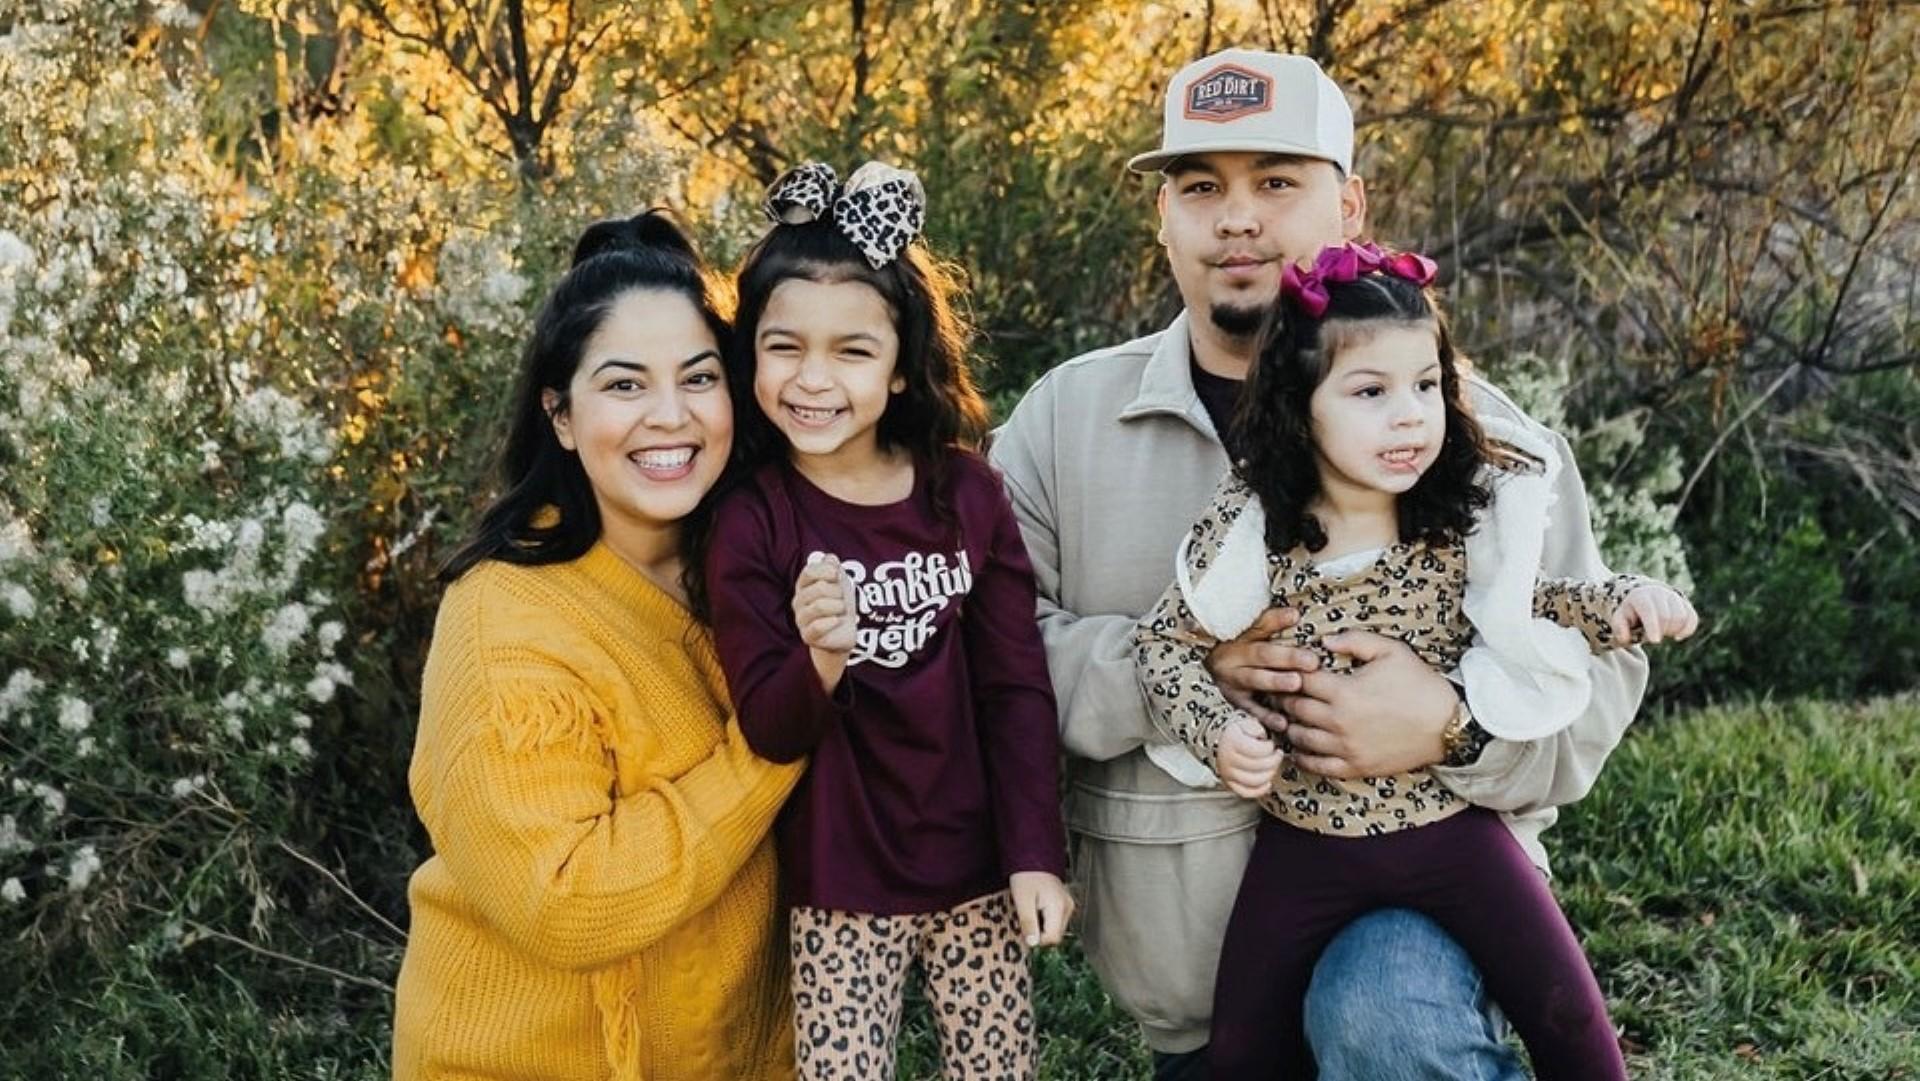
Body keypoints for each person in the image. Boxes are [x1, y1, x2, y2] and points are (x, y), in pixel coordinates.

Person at [988, 49, 1651, 1079]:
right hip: (1196, 972)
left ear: (1350, 205)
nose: (1236, 218)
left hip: (1414, 903)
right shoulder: (1065, 423)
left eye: (1277, 182)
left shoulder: (1469, 437)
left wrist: (1451, 720)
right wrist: (1183, 682)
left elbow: (1597, 677)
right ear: (1162, 217)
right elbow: (998, 654)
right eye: (1200, 187)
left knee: (1382, 1011)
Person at [1135, 242, 1698, 1079]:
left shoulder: (1455, 518)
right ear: (1300, 406)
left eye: (1427, 385)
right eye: (1370, 392)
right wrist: (1217, 730)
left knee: (1571, 1020)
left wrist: (1619, 604)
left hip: (1449, 833)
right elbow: (1164, 645)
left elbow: (1534, 598)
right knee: (1241, 1051)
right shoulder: (1258, 531)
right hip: (1305, 838)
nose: (1410, 417)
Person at [392, 211, 803, 1081]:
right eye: (623, 385)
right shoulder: (507, 622)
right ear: (562, 416)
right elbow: (563, 900)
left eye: (699, 377)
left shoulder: (754, 569)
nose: (670, 416)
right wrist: (780, 735)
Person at [705, 161, 1073, 1081]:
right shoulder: (753, 519)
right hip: (840, 879)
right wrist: (821, 656)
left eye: (852, 351)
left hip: (979, 868)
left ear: (903, 365)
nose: (813, 379)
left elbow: (1015, 685)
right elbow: (769, 723)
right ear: (751, 352)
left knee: (999, 1072)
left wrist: (1036, 852)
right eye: (784, 347)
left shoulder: (967, 493)